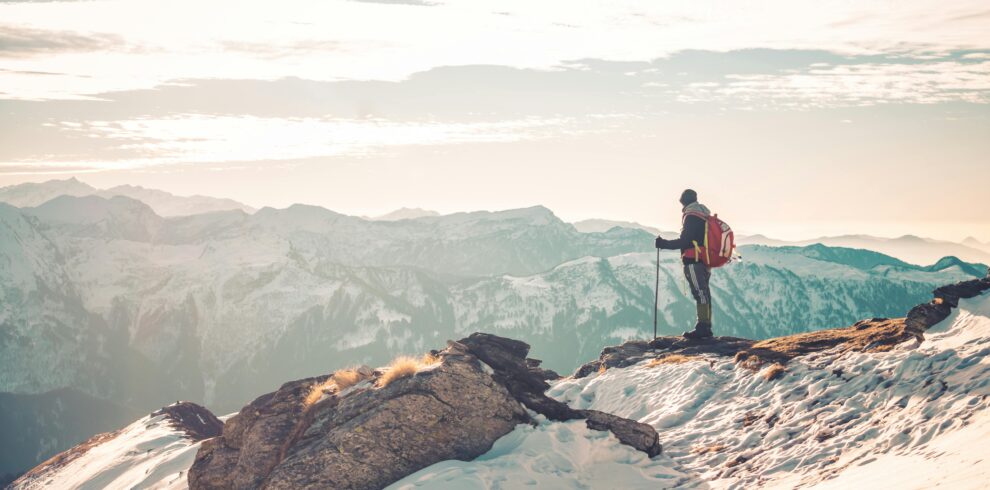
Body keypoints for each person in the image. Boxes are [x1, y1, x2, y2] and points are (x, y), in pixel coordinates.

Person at [655, 189, 714, 339]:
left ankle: (703, 328)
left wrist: (663, 244)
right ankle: (706, 326)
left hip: (693, 261)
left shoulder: (691, 216)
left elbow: (685, 241)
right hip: (704, 260)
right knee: (704, 292)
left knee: (700, 293)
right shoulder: (703, 215)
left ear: (683, 201)